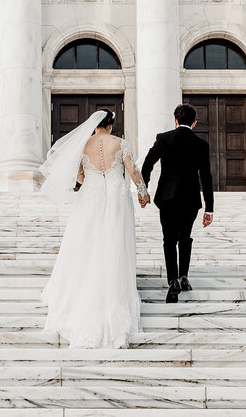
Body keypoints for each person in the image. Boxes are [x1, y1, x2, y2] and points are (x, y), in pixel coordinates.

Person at [39, 109, 150, 348]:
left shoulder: (83, 144)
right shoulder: (120, 143)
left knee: (88, 240)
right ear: (110, 125)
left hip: (92, 194)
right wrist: (143, 192)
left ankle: (85, 286)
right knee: (114, 241)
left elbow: (78, 175)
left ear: (95, 125)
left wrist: (89, 179)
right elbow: (132, 170)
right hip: (117, 193)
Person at [140, 103, 214, 304]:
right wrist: (209, 208)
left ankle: (172, 280)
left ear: (175, 120)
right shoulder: (201, 144)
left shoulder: (163, 138)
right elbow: (206, 177)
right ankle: (184, 277)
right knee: (186, 238)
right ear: (194, 122)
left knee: (169, 239)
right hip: (190, 199)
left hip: (167, 197)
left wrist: (143, 188)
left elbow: (147, 164)